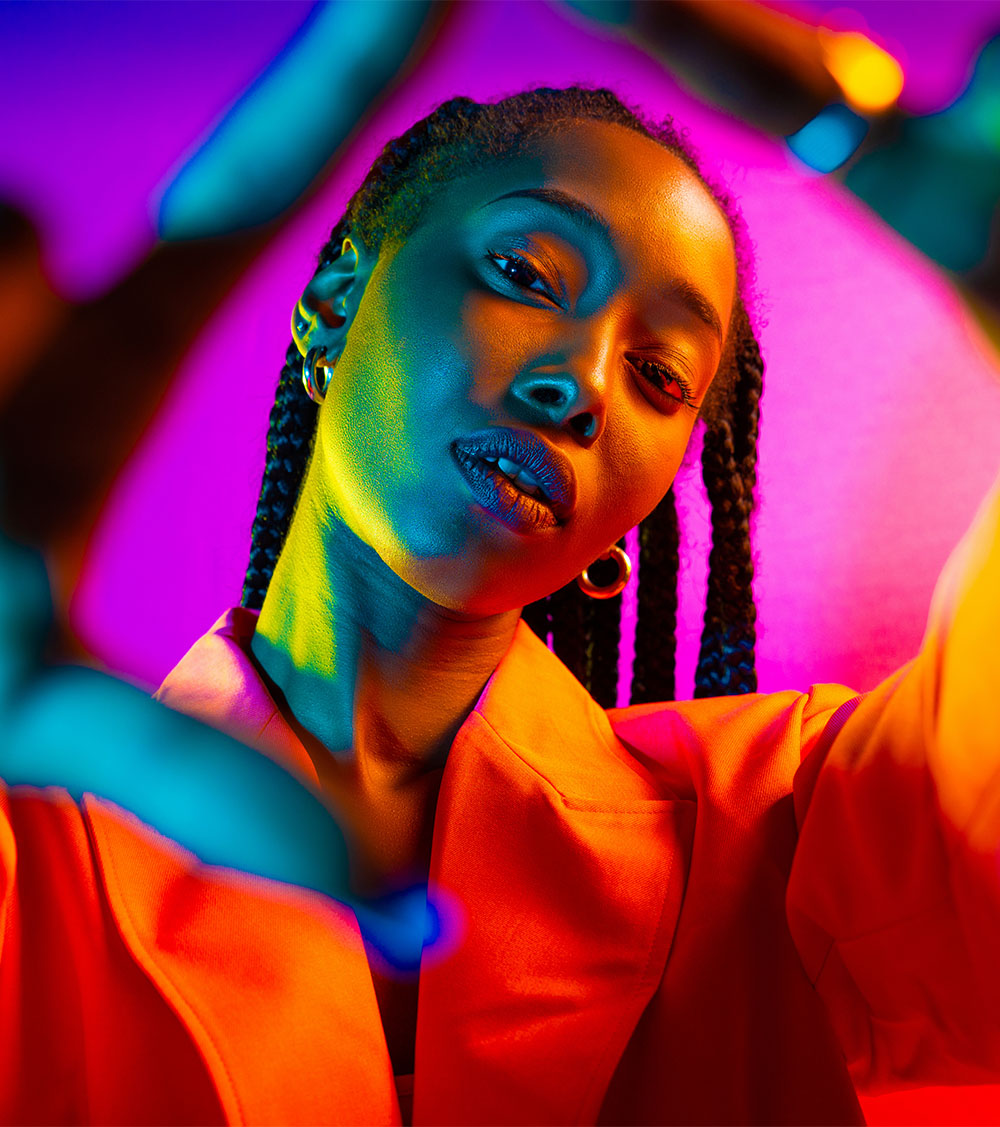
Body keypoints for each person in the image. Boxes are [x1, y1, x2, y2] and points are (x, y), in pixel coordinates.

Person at [2, 85, 998, 1127]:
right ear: (336, 305)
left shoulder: (788, 825)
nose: (581, 385)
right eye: (526, 273)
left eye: (658, 376)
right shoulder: (33, 840)